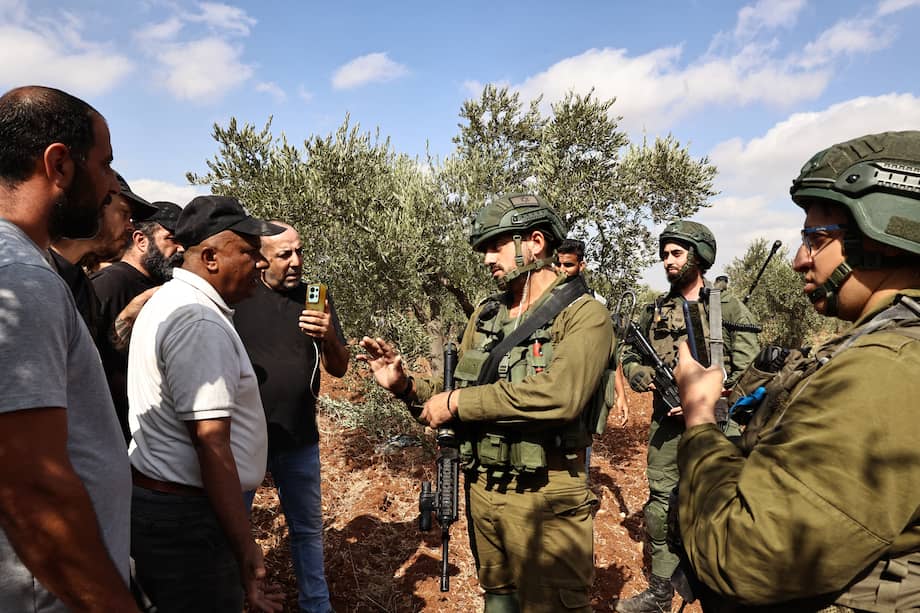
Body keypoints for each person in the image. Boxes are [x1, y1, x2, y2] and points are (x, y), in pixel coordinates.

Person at [673, 131, 920, 612]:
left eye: (816, 238)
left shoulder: (885, 370)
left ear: (883, 239)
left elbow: (743, 556)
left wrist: (700, 418)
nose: (799, 258)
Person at [359, 193, 615, 613]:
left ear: (534, 242)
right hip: (484, 484)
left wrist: (458, 402)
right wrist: (405, 386)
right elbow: (455, 387)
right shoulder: (487, 314)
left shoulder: (584, 315)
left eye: (495, 246)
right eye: (483, 250)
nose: (486, 259)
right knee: (498, 596)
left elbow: (559, 397)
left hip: (546, 494)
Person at [0, 85, 139, 611]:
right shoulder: (19, 279)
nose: (109, 186)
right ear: (60, 165)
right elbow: (33, 489)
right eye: (104, 164)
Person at [127, 195, 284, 612]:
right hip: (188, 522)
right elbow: (212, 444)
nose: (260, 263)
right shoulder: (198, 321)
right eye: (249, 253)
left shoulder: (175, 303)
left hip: (175, 513)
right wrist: (246, 548)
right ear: (211, 257)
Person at [617, 220, 759, 613]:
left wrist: (713, 397)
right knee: (661, 507)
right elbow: (629, 356)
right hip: (667, 427)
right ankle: (661, 594)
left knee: (720, 505)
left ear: (698, 257)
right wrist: (641, 375)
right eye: (664, 254)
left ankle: (725, 592)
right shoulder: (655, 310)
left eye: (676, 253)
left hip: (719, 425)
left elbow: (753, 373)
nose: (667, 261)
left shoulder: (728, 308)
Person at [234, 221, 349, 613]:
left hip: (300, 438)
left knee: (307, 532)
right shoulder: (238, 296)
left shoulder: (314, 298)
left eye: (299, 251)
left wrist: (329, 333)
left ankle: (317, 606)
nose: (297, 261)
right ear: (260, 258)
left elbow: (340, 368)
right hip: (246, 439)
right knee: (233, 528)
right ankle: (233, 598)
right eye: (285, 254)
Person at [92, 200, 183, 442]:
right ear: (141, 240)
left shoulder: (163, 284)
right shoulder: (109, 284)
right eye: (172, 239)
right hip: (117, 430)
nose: (181, 249)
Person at [48, 172, 157, 339]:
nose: (130, 227)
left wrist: (125, 318)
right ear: (97, 204)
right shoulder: (30, 271)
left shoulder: (82, 285)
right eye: (124, 214)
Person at [556, 237, 629, 426]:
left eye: (568, 265)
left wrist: (621, 395)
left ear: (582, 265)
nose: (562, 270)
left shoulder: (597, 303)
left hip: (582, 390)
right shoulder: (545, 301)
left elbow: (611, 354)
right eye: (558, 264)